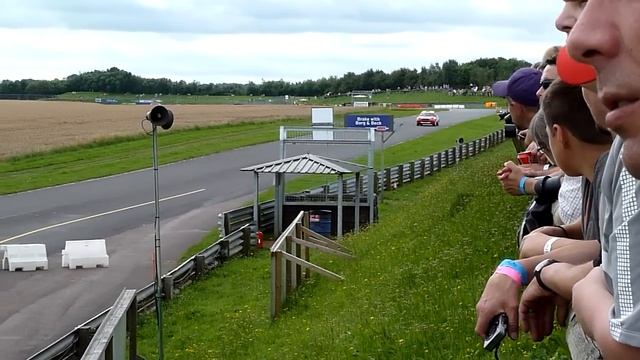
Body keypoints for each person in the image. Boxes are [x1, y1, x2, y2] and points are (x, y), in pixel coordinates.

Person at [475, 79, 611, 341]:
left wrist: (536, 268)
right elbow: (605, 240)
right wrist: (559, 234)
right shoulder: (603, 171)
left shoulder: (614, 173)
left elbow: (607, 258)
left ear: (558, 135)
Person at [550, 1, 640, 357]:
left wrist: (583, 288)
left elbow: (628, 346)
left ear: (559, 135)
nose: (576, 40)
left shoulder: (624, 167)